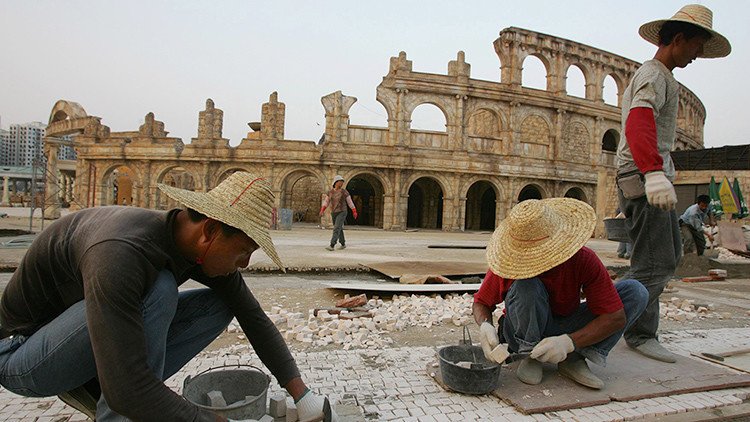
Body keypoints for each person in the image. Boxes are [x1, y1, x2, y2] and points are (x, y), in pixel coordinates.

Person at [0, 172, 337, 422]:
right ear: (209, 231)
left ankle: (101, 389)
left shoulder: (193, 246)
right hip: (23, 354)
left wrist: (301, 394)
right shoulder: (122, 253)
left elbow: (254, 317)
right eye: (243, 252)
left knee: (223, 304)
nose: (244, 264)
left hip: (85, 345)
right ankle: (115, 407)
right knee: (159, 289)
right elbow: (127, 392)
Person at [615, 4, 731, 363]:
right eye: (697, 46)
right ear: (678, 39)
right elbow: (638, 120)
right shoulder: (655, 74)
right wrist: (651, 172)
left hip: (648, 175)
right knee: (654, 264)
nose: (698, 56)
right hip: (642, 176)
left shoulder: (660, 75)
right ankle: (609, 329)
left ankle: (631, 327)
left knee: (667, 257)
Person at [474, 199, 648, 389]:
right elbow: (481, 302)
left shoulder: (583, 259)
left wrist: (569, 343)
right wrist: (485, 325)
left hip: (566, 324)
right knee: (526, 285)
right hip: (523, 329)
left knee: (635, 292)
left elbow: (615, 317)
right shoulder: (509, 263)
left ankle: (575, 357)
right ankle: (530, 355)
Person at [319, 175, 358, 251]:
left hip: (342, 211)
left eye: (342, 182)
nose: (342, 183)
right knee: (338, 228)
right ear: (336, 182)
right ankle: (343, 243)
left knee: (336, 228)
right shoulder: (330, 192)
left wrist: (354, 211)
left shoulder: (344, 192)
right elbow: (326, 202)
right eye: (340, 182)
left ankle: (332, 245)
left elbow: (350, 202)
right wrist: (322, 210)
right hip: (334, 212)